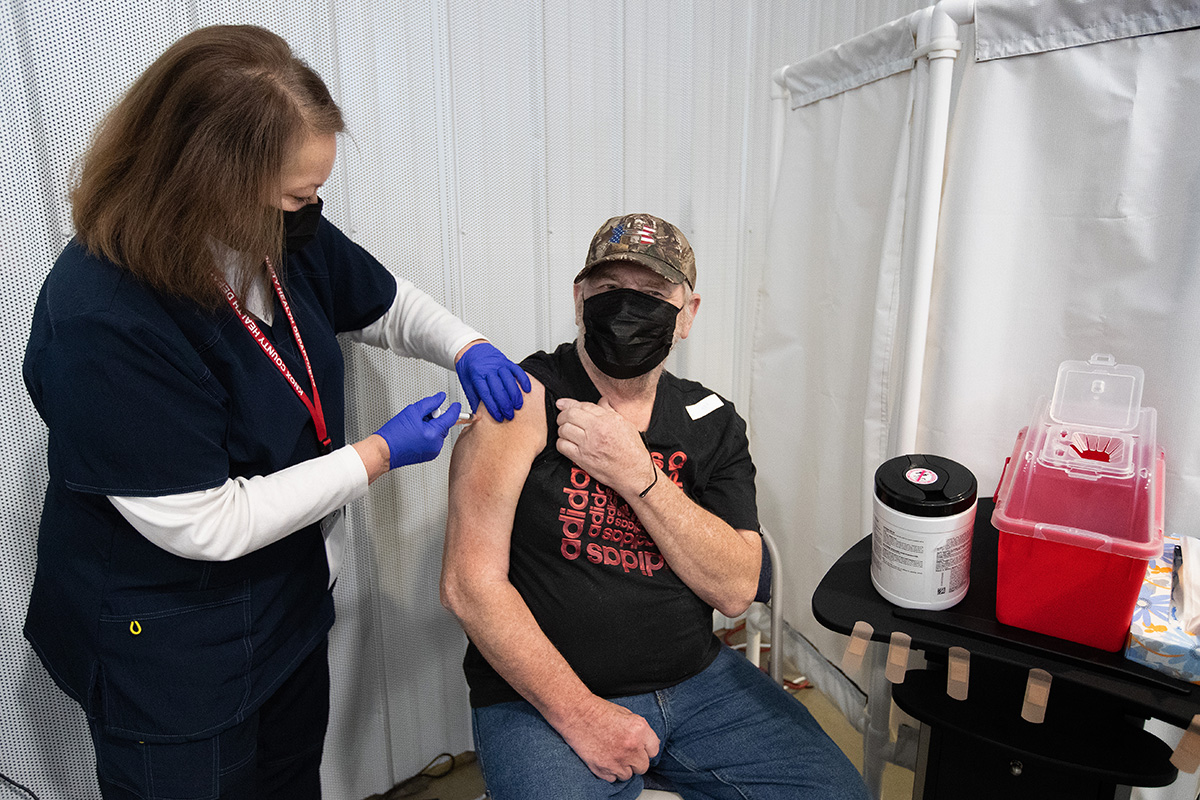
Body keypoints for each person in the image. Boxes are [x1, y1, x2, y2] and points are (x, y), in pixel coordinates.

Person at [21, 25, 529, 800]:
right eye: (297, 192)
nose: (311, 208)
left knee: (290, 780)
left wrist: (466, 346)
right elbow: (206, 523)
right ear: (209, 177)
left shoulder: (277, 229)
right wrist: (379, 454)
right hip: (168, 643)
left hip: (284, 603)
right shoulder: (105, 319)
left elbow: (383, 301)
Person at [440, 213, 871, 799]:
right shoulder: (520, 399)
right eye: (609, 290)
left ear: (688, 313)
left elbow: (737, 588)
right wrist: (583, 716)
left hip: (700, 682)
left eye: (651, 294)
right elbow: (469, 584)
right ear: (578, 299)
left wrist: (638, 475)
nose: (627, 308)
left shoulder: (713, 421)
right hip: (544, 696)